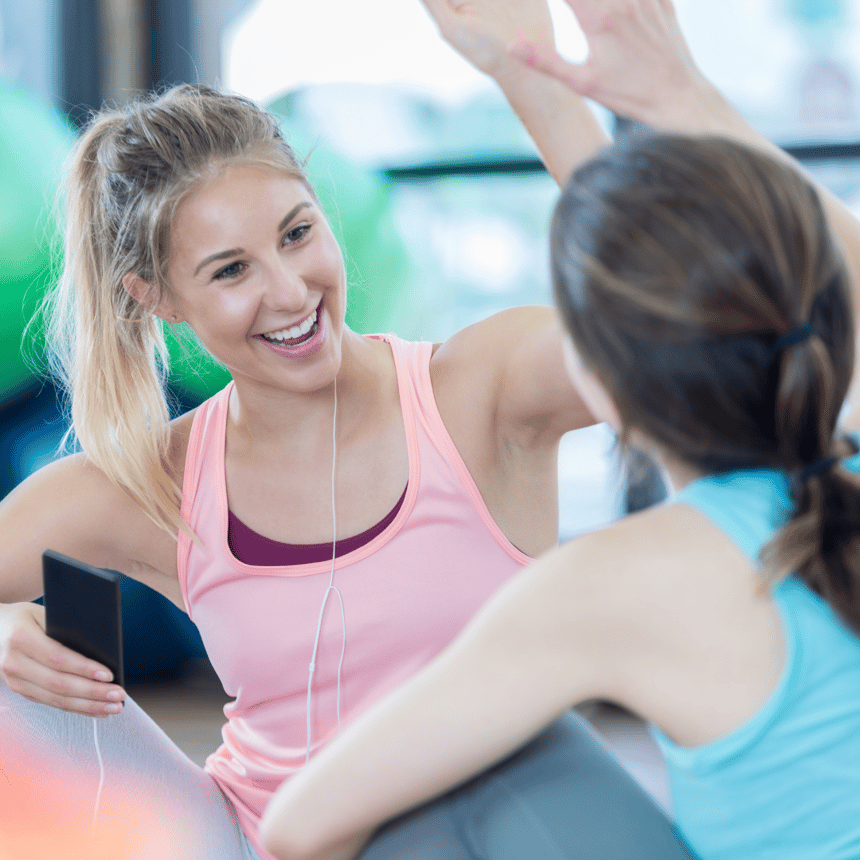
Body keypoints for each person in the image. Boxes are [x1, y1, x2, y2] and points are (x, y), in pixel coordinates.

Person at [0, 5, 699, 859]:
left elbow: (680, 327)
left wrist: (535, 85)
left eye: (298, 233)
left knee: (517, 762)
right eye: (231, 271)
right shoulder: (152, 483)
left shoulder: (479, 391)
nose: (291, 292)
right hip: (264, 837)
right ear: (159, 298)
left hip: (494, 805)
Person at [257, 2, 860, 860]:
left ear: (599, 380)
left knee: (492, 770)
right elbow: (789, 277)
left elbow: (295, 827)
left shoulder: (613, 584)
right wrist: (674, 97)